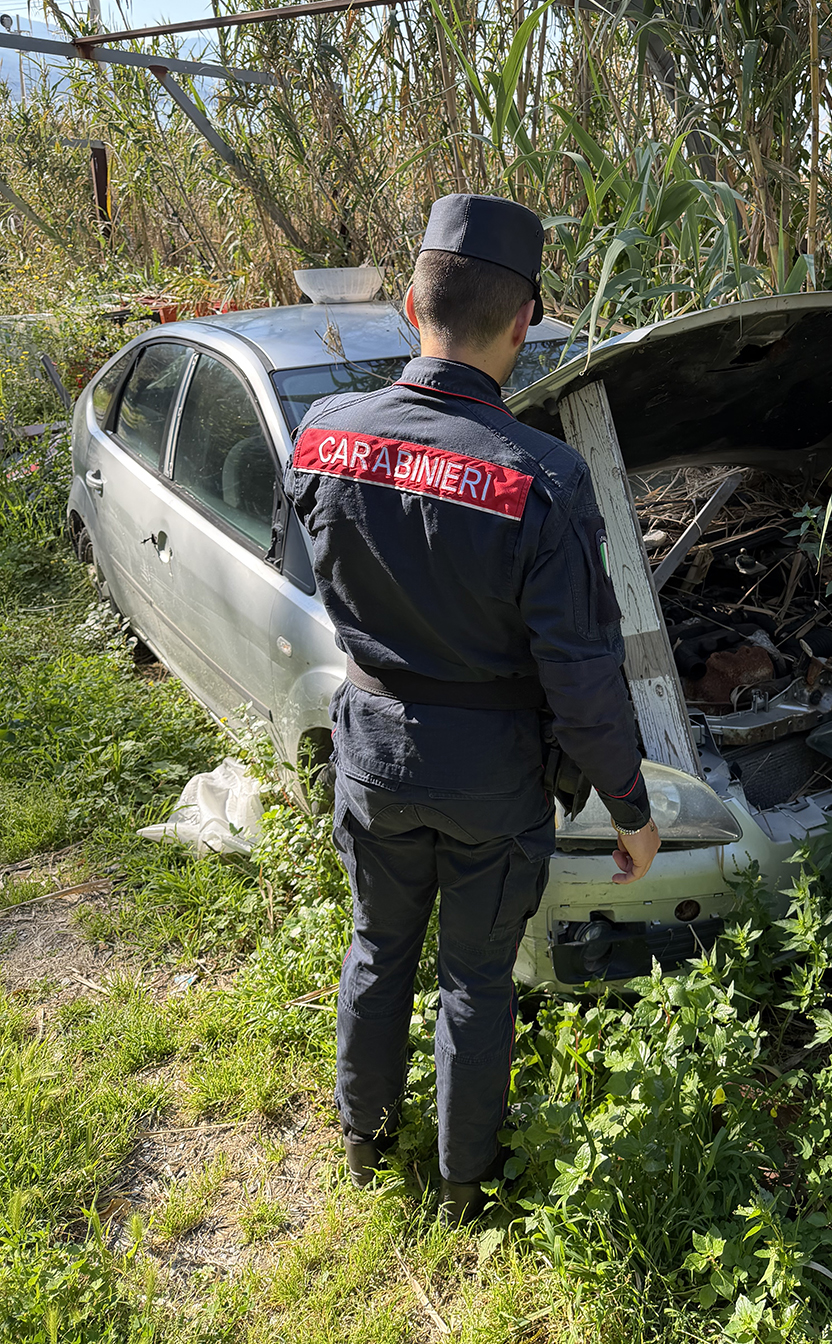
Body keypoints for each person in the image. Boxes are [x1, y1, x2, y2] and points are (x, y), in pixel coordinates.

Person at [284, 192, 661, 1222]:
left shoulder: (321, 435)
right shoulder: (544, 477)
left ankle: (362, 1138)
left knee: (376, 945)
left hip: (371, 747)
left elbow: (321, 568)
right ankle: (462, 1185)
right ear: (523, 323)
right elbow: (580, 674)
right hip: (492, 776)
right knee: (475, 982)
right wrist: (630, 806)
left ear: (411, 305)